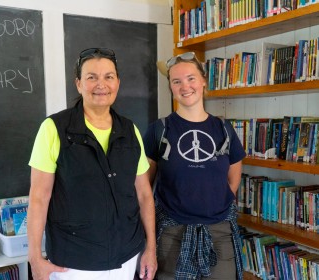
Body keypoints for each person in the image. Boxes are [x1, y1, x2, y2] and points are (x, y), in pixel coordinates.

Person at [27, 48, 157, 280]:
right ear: (78, 84)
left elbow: (144, 194)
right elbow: (39, 197)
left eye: (108, 77)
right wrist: (35, 258)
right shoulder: (54, 128)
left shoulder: (130, 130)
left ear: (117, 82)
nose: (101, 84)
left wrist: (151, 248)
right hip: (74, 262)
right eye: (91, 77)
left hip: (126, 257)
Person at [143, 52, 246, 280]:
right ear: (170, 86)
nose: (184, 86)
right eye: (176, 81)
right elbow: (143, 189)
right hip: (172, 233)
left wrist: (215, 202)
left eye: (190, 78)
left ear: (203, 81)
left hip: (219, 233)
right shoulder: (158, 130)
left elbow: (234, 177)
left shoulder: (223, 129)